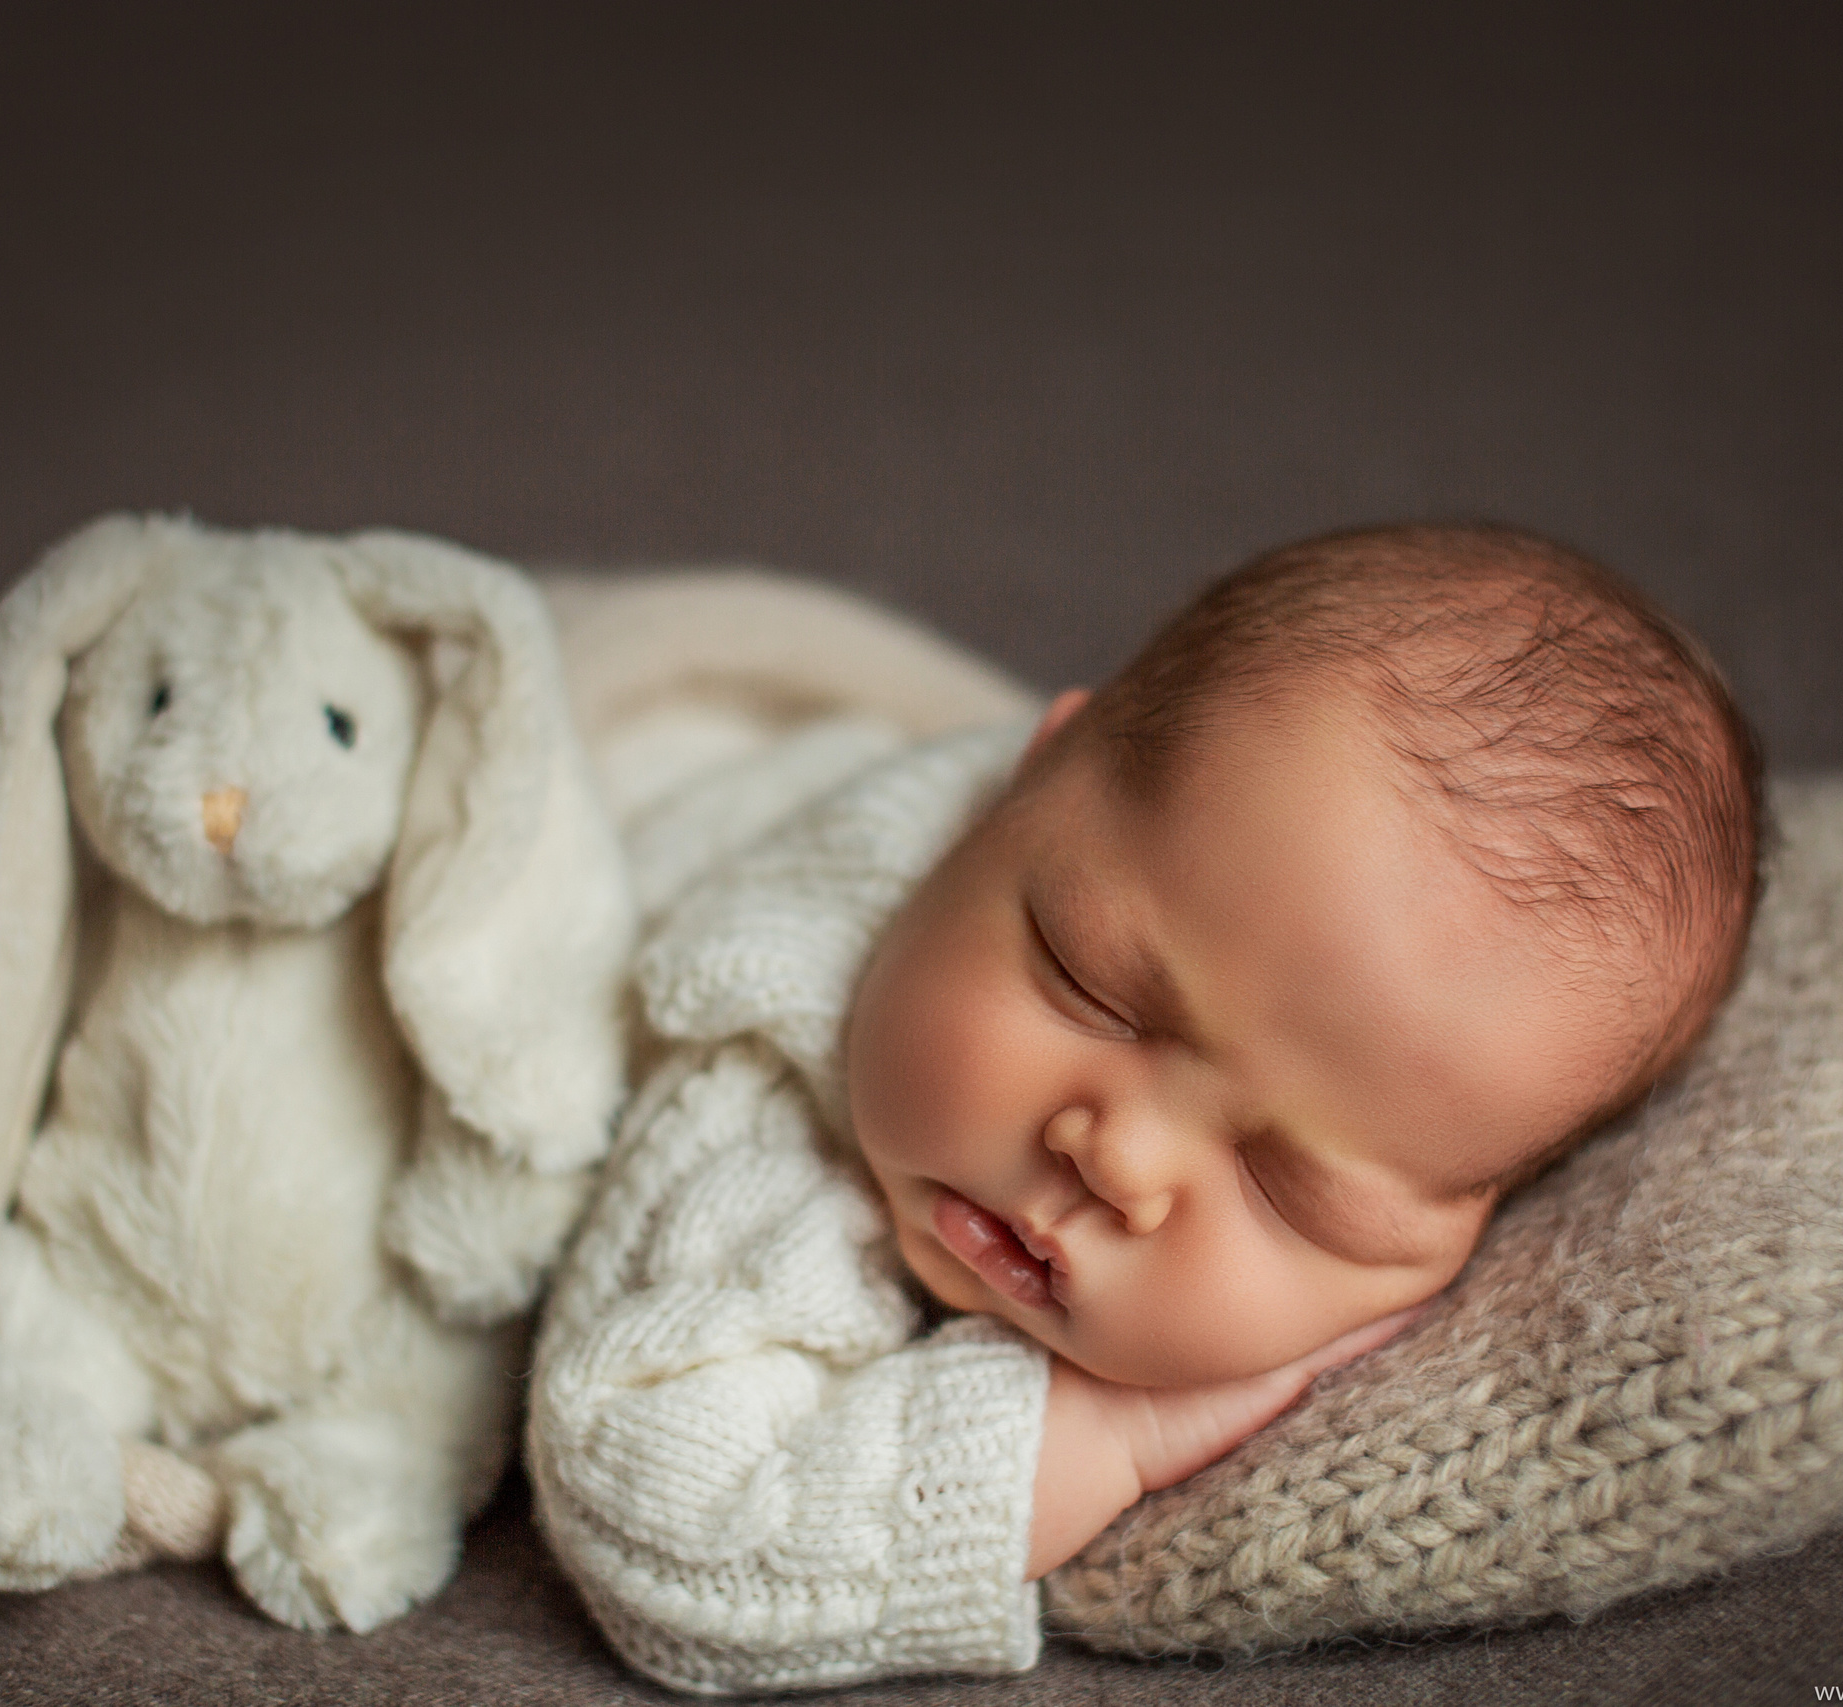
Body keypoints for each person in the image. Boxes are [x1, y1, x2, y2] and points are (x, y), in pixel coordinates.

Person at [526, 522, 1765, 1693]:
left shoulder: (1150, 881)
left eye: (1291, 1191)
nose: (1117, 1160)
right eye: (1091, 984)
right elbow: (666, 1531)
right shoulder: (761, 1070)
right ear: (1026, 779)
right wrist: (1088, 1444)